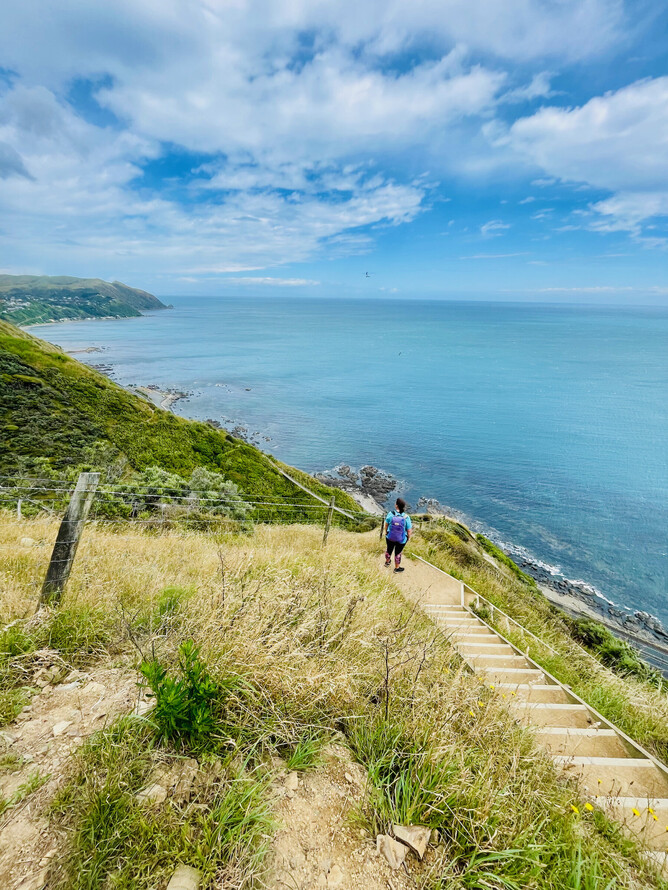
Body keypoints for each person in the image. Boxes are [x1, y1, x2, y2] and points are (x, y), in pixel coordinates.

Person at [383, 497, 412, 572]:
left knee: (389, 550)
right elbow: (409, 530)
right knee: (398, 553)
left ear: (396, 505)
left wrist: (386, 532)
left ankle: (387, 562)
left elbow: (386, 525)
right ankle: (397, 568)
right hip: (401, 539)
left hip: (390, 537)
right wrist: (408, 538)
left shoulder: (391, 514)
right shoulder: (406, 517)